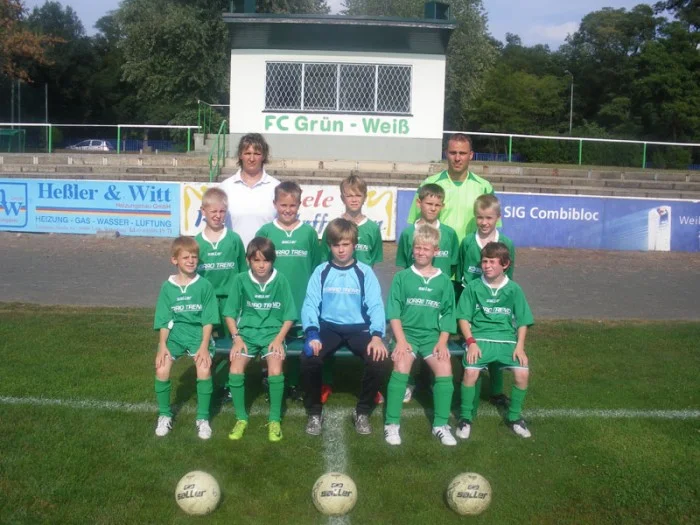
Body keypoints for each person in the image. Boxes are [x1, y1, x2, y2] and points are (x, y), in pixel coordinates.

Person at [301, 218, 388, 436]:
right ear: (329, 246)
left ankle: (362, 411)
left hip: (359, 328)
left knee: (377, 358)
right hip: (328, 327)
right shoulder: (321, 271)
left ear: (354, 245)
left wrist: (377, 336)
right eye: (336, 245)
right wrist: (312, 333)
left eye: (346, 244)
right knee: (309, 357)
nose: (341, 250)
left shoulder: (364, 272)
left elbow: (376, 305)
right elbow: (310, 303)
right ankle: (314, 412)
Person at [384, 225, 457, 446]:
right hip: (406, 335)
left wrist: (442, 342)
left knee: (445, 369)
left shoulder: (444, 281)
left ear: (436, 251)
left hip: (432, 337)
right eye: (417, 248)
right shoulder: (402, 277)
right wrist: (401, 341)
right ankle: (391, 424)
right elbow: (394, 312)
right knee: (401, 365)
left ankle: (440, 425)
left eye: (426, 249)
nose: (421, 252)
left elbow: (448, 314)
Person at [455, 242, 534, 440]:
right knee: (471, 372)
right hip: (479, 338)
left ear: (505, 264)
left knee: (522, 373)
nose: (487, 266)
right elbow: (463, 318)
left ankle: (514, 418)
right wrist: (471, 342)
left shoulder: (514, 289)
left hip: (507, 339)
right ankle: (465, 418)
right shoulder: (473, 287)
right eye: (484, 261)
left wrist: (520, 346)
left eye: (492, 262)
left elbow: (523, 321)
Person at [223, 237, 296, 443]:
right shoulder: (240, 280)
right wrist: (236, 338)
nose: (261, 265)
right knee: (235, 369)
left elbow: (289, 315)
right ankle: (241, 418)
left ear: (273, 261)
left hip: (273, 334)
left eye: (266, 260)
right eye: (256, 260)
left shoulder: (280, 280)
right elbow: (229, 313)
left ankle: (274, 420)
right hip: (246, 334)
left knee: (275, 369)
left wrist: (279, 339)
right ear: (248, 260)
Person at [319, 175, 384, 403]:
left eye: (358, 195)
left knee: (365, 340)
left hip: (361, 294)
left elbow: (373, 262)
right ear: (342, 197)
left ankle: (371, 386)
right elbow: (325, 261)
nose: (354, 199)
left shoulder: (373, 229)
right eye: (349, 195)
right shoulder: (333, 227)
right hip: (336, 294)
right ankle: (326, 382)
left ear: (365, 197)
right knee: (328, 332)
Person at [256, 181, 321, 400]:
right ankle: (273, 379)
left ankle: (294, 382)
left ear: (299, 205)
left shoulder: (308, 233)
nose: (287, 210)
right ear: (275, 204)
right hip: (273, 300)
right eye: (283, 205)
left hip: (301, 299)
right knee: (274, 338)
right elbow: (257, 265)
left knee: (296, 341)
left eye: (292, 205)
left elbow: (316, 267)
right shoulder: (266, 232)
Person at [153, 236, 219, 440]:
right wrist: (162, 346)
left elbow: (208, 320)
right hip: (175, 335)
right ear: (175, 260)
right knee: (161, 367)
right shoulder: (167, 287)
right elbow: (164, 320)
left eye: (194, 257)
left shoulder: (204, 285)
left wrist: (204, 346)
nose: (191, 261)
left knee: (204, 367)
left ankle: (203, 419)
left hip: (198, 335)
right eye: (186, 257)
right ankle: (164, 415)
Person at [456, 194, 515, 407]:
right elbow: (461, 273)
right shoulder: (467, 242)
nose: (484, 222)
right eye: (480, 217)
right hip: (472, 304)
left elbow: (509, 277)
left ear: (498, 217)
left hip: (495, 306)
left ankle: (496, 391)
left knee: (496, 343)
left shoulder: (506, 243)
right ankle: (469, 389)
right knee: (471, 345)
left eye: (489, 217)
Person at [407, 133, 495, 243]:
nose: (457, 158)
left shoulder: (484, 187)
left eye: (462, 153)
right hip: (439, 249)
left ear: (471, 155)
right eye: (453, 153)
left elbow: (494, 226)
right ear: (446, 154)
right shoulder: (429, 184)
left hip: (470, 250)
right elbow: (415, 224)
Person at [195, 187, 247, 337]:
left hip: (231, 299)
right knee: (206, 339)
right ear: (203, 211)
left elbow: (243, 270)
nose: (218, 216)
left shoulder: (234, 239)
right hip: (207, 300)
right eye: (213, 211)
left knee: (234, 337)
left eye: (222, 211)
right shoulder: (197, 242)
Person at [218, 133, 280, 247]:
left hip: (265, 256)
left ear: (263, 156)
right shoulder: (225, 187)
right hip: (234, 255)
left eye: (257, 154)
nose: (252, 159)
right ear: (240, 155)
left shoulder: (276, 187)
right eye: (247, 153)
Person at [397, 183, 459, 277]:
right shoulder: (407, 233)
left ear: (442, 206)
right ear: (419, 203)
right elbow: (405, 264)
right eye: (429, 204)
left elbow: (453, 265)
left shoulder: (450, 233)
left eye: (437, 205)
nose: (433, 208)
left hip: (441, 285)